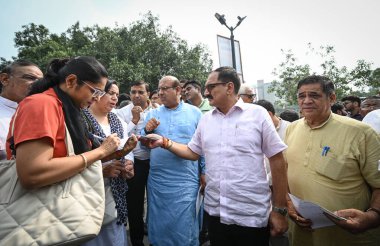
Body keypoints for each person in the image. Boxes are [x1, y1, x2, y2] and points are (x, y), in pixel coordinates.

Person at [144, 67, 288, 246]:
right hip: (216, 213)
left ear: (229, 87)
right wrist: (164, 142)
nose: (206, 92)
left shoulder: (257, 115)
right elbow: (192, 152)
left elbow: (277, 160)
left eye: (211, 86)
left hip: (250, 214)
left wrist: (279, 210)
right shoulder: (206, 120)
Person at [5, 57, 137, 244]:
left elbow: (71, 159)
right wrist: (101, 151)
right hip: (38, 219)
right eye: (95, 91)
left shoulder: (69, 109)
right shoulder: (42, 104)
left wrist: (116, 153)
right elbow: (32, 173)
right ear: (71, 81)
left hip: (59, 215)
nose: (97, 98)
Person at [285, 75, 380, 246]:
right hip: (302, 234)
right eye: (301, 96)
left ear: (332, 98)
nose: (306, 101)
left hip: (347, 237)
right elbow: (284, 173)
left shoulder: (361, 133)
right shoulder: (292, 129)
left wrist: (372, 216)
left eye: (314, 95)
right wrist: (289, 205)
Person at [142, 75, 202, 246]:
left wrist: (204, 172)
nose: (160, 92)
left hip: (185, 179)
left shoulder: (195, 113)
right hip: (158, 180)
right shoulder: (152, 115)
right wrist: (146, 131)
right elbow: (143, 147)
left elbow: (203, 147)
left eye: (164, 89)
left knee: (184, 222)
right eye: (159, 89)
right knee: (159, 222)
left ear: (178, 90)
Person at [82, 80, 136, 246]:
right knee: (92, 234)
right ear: (97, 94)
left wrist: (128, 164)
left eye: (117, 95)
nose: (115, 99)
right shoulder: (82, 120)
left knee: (114, 233)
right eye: (110, 93)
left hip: (116, 191)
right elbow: (77, 157)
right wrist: (102, 170)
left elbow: (127, 147)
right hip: (89, 192)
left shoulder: (117, 120)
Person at [115, 80, 155, 246]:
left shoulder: (158, 112)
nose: (136, 95)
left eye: (140, 92)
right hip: (134, 163)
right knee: (135, 204)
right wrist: (134, 120)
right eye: (133, 92)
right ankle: (137, 241)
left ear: (148, 94)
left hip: (155, 163)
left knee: (155, 203)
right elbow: (120, 138)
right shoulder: (121, 113)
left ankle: (155, 236)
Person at [0, 60, 43, 160]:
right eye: (30, 78)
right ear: (5, 79)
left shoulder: (41, 111)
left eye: (40, 81)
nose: (37, 84)